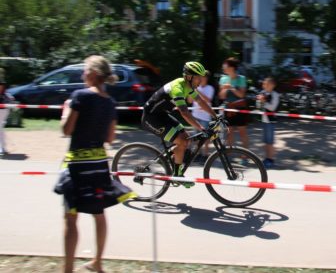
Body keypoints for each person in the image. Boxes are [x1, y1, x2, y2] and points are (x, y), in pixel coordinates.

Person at [56, 55, 137, 273]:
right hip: (99, 164)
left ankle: (68, 270)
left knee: (70, 217)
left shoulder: (80, 96)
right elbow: (110, 138)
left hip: (77, 165)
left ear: (92, 73)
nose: (82, 75)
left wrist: (66, 111)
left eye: (84, 71)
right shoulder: (110, 103)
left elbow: (66, 130)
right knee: (99, 215)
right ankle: (98, 262)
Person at [141, 61, 217, 182]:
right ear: (189, 77)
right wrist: (201, 128)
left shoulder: (189, 87)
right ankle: (177, 176)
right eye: (198, 78)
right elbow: (184, 113)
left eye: (201, 78)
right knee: (181, 141)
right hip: (151, 118)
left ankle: (167, 162)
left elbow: (202, 102)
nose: (200, 81)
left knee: (186, 138)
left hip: (162, 115)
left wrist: (216, 116)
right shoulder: (178, 88)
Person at [218, 57, 249, 149]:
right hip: (228, 109)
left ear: (231, 67)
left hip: (240, 108)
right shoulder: (223, 79)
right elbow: (221, 96)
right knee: (229, 132)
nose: (223, 67)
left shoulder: (241, 78)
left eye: (225, 65)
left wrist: (231, 87)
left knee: (242, 132)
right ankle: (229, 155)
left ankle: (245, 156)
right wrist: (224, 89)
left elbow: (241, 95)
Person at [256, 77, 280, 168]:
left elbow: (272, 108)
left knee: (270, 142)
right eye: (264, 84)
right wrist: (259, 101)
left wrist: (264, 101)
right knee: (265, 141)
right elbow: (258, 106)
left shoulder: (275, 95)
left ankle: (270, 159)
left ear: (273, 85)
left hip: (271, 121)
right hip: (264, 120)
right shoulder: (262, 93)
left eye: (267, 84)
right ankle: (266, 158)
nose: (264, 86)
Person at [191, 74, 215, 163]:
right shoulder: (196, 87)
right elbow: (190, 101)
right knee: (197, 137)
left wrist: (197, 91)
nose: (201, 79)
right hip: (195, 115)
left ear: (206, 78)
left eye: (203, 77)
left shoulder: (210, 88)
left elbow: (208, 100)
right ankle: (198, 154)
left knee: (205, 138)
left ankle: (205, 155)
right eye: (200, 77)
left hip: (205, 116)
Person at [0, 77, 12, 157]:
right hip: (3, 110)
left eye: (1, 85)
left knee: (0, 128)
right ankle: (3, 148)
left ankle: (2, 148)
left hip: (3, 110)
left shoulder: (5, 94)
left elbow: (10, 100)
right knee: (1, 129)